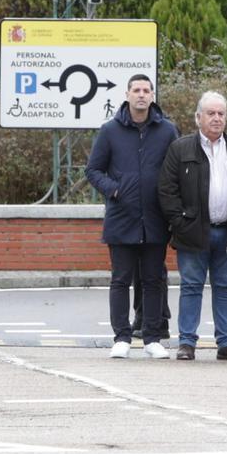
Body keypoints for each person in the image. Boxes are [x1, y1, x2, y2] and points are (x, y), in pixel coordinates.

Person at [158, 91, 227, 361]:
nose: (217, 118)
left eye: (221, 113)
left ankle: (226, 343)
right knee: (191, 286)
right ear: (198, 117)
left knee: (226, 288)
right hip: (193, 232)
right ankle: (187, 343)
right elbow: (167, 191)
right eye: (211, 113)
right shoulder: (180, 149)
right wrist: (181, 224)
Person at [85, 74, 179, 360]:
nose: (141, 95)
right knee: (120, 280)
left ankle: (152, 338)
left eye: (146, 90)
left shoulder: (167, 131)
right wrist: (114, 190)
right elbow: (93, 170)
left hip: (154, 219)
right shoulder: (109, 130)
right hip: (121, 218)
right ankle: (121, 337)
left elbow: (175, 170)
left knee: (153, 280)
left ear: (152, 95)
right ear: (127, 95)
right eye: (136, 90)